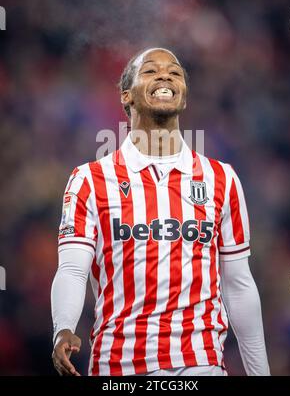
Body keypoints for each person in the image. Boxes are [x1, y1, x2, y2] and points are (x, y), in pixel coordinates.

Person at [51, 47, 270, 376]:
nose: (166, 75)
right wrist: (63, 327)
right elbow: (72, 270)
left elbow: (238, 285)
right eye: (151, 71)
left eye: (176, 72)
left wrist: (260, 373)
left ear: (184, 95)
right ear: (127, 96)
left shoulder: (221, 178)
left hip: (200, 365)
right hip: (119, 367)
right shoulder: (89, 181)